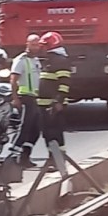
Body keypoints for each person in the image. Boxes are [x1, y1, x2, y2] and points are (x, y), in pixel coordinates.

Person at [37, 31, 73, 164]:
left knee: (55, 132)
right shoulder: (50, 59)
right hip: (44, 104)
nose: (42, 48)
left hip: (52, 104)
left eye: (44, 45)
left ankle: (59, 160)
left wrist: (58, 101)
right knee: (47, 133)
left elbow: (64, 83)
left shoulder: (60, 61)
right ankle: (53, 158)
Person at [7, 34, 42, 168]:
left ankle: (25, 157)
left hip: (35, 98)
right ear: (27, 44)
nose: (36, 47)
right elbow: (13, 80)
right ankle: (12, 156)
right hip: (25, 97)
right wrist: (15, 98)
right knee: (24, 127)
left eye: (37, 44)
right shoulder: (20, 60)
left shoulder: (36, 60)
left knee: (35, 130)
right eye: (33, 44)